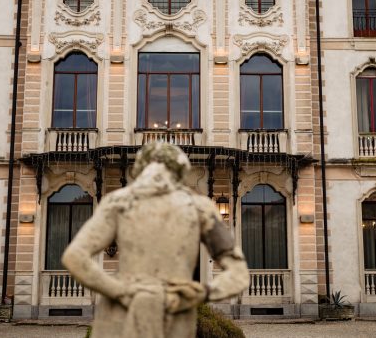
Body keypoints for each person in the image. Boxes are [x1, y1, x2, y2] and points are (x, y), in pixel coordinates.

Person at [62, 142, 249, 338]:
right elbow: (239, 274)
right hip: (173, 311)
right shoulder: (199, 207)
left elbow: (74, 257)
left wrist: (121, 292)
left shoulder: (118, 202)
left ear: (140, 169)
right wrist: (204, 292)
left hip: (121, 313)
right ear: (180, 173)